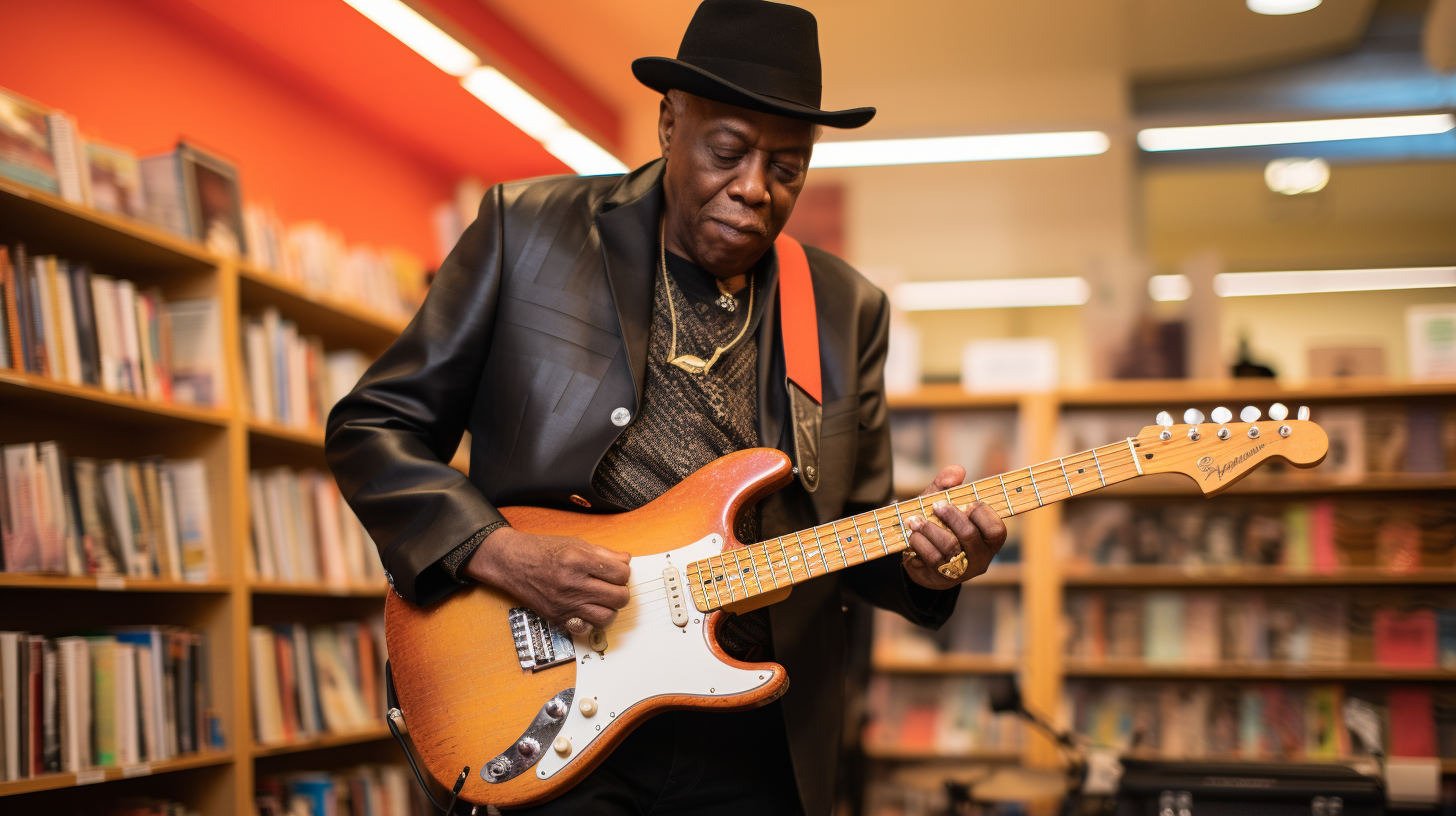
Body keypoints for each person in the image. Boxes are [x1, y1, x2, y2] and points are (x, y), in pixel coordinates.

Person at [325, 2, 1008, 814]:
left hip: (753, 740)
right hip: (555, 703)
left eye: (788, 166)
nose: (755, 189)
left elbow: (851, 523)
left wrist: (932, 563)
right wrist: (496, 552)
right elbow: (376, 426)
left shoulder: (841, 306)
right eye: (728, 151)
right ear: (668, 123)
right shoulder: (530, 232)